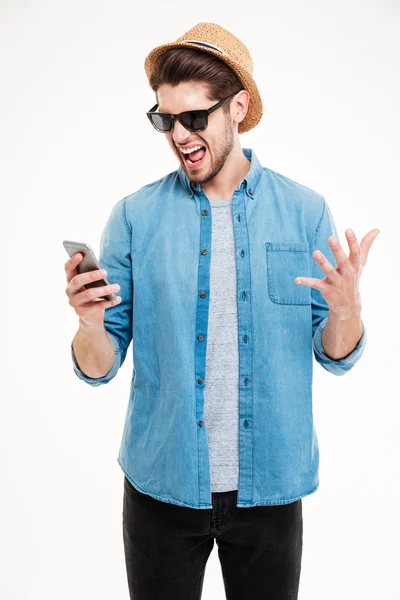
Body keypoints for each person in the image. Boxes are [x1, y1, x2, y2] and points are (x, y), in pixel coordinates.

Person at [65, 22, 379, 600]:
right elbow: (98, 366)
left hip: (271, 492)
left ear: (237, 108)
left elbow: (336, 354)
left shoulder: (305, 211)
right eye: (165, 120)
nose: (178, 134)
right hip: (162, 486)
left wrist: (346, 310)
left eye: (193, 118)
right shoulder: (134, 216)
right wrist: (89, 324)